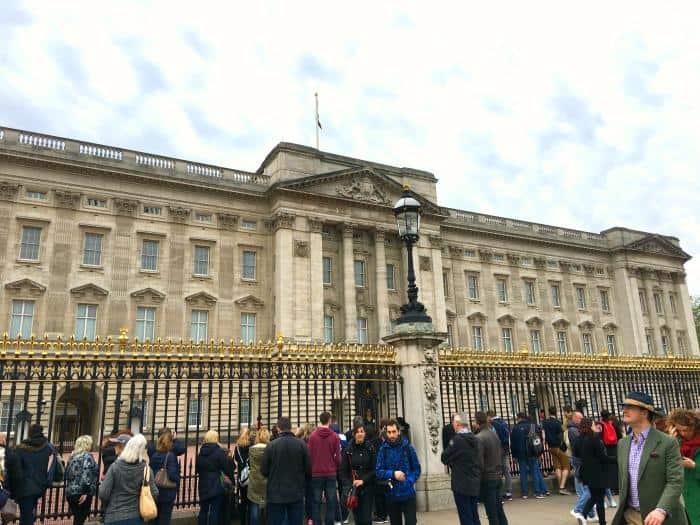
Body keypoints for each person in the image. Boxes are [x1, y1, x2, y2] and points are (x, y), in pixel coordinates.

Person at [611, 392, 687, 525]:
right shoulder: (622, 444)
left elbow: (675, 481)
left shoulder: (667, 442)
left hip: (659, 518)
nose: (625, 410)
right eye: (624, 406)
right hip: (630, 516)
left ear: (644, 413)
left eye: (631, 407)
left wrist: (661, 510)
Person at [99, 433, 158, 525]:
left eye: (118, 445)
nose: (115, 448)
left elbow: (103, 493)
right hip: (135, 516)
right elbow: (154, 493)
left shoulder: (115, 467)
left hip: (114, 515)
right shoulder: (146, 469)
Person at [261, 416, 312, 525]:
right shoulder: (301, 445)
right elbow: (308, 469)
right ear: (290, 428)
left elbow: (264, 470)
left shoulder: (271, 446)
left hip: (276, 494)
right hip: (296, 492)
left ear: (279, 429)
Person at [376, 419, 421, 525]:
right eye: (389, 432)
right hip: (392, 494)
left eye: (394, 432)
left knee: (411, 522)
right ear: (386, 433)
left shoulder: (408, 448)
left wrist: (409, 481)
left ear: (399, 432)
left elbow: (417, 469)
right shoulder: (383, 450)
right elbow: (378, 471)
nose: (391, 435)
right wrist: (393, 474)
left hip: (408, 493)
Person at [7, 423, 52, 525]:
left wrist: (11, 489)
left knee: (25, 516)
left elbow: (15, 471)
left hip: (24, 488)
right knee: (29, 515)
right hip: (40, 485)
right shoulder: (47, 447)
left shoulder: (20, 449)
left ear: (30, 433)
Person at [574, 418, 617, 525]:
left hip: (587, 473)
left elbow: (578, 455)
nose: (596, 427)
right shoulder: (594, 440)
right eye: (594, 425)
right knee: (599, 499)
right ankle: (588, 516)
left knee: (595, 497)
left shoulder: (581, 439)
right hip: (598, 473)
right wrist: (616, 459)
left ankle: (585, 515)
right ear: (590, 426)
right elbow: (603, 457)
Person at [441, 412, 482, 525]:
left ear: (458, 424)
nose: (452, 425)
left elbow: (444, 457)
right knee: (474, 515)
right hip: (474, 482)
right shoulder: (475, 438)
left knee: (465, 517)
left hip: (461, 483)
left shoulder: (457, 440)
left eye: (453, 423)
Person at [307, 411, 341, 525]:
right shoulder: (335, 437)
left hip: (316, 473)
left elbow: (309, 456)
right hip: (330, 473)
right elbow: (338, 458)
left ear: (320, 420)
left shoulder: (312, 437)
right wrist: (335, 467)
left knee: (316, 501)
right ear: (329, 421)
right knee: (331, 501)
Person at [474, 412, 508, 525]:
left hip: (488, 479)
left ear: (477, 422)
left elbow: (479, 462)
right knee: (499, 510)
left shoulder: (479, 438)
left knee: (492, 513)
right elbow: (500, 453)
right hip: (497, 476)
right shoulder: (494, 434)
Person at [669, 409, 700, 525]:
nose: (682, 433)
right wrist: (671, 442)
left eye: (686, 430)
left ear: (694, 426)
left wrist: (694, 466)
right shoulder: (677, 443)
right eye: (679, 430)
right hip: (685, 499)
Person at [340, 424, 375, 525]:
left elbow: (375, 469)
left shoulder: (370, 448)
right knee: (358, 519)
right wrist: (349, 484)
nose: (360, 434)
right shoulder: (348, 450)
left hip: (367, 488)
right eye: (358, 432)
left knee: (367, 520)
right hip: (354, 490)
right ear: (354, 434)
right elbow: (342, 471)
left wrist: (363, 480)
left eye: (362, 431)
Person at [196, 430, 234, 525]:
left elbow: (197, 469)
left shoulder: (200, 452)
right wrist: (232, 481)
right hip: (216, 484)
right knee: (214, 511)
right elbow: (226, 469)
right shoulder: (219, 452)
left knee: (203, 511)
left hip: (203, 484)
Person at [509, 413, 547, 499]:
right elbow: (537, 440)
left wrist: (514, 456)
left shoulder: (515, 428)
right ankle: (538, 492)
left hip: (520, 454)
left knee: (523, 473)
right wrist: (539, 453)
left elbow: (513, 444)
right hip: (532, 452)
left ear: (519, 418)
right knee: (535, 472)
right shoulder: (532, 426)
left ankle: (525, 493)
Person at [148, 428, 180, 525]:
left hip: (155, 490)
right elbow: (172, 475)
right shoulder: (170, 456)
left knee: (154, 517)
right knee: (164, 518)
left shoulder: (154, 455)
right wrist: (178, 480)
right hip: (167, 492)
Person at [64, 435, 99, 525]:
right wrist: (85, 491)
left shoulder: (72, 456)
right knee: (80, 519)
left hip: (71, 491)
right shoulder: (87, 456)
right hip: (82, 492)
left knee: (77, 518)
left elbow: (67, 473)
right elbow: (86, 474)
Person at [568, 411, 595, 522]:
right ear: (575, 418)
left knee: (587, 489)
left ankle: (591, 513)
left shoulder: (577, 431)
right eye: (580, 418)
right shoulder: (574, 430)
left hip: (581, 462)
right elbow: (579, 447)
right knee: (587, 489)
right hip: (581, 462)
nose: (581, 420)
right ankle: (578, 509)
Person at [543, 406, 570, 495]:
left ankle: (560, 486)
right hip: (558, 447)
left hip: (550, 447)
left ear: (549, 412)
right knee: (566, 467)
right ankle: (562, 487)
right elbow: (562, 432)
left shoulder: (545, 422)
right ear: (555, 412)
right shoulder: (557, 422)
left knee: (557, 467)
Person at [486, 410, 513, 501]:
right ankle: (509, 492)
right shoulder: (503, 422)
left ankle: (499, 493)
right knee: (506, 471)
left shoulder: (492, 424)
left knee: (497, 471)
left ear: (489, 417)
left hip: (497, 450)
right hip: (505, 450)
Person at [599, 410, 621, 508]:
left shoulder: (600, 424)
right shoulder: (612, 424)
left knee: (608, 469)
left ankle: (611, 489)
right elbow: (619, 434)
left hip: (606, 447)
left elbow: (599, 437)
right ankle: (616, 487)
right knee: (615, 467)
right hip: (614, 447)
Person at [248, 428, 270, 525]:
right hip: (267, 480)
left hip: (255, 480)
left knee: (254, 507)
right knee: (269, 508)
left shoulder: (251, 449)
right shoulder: (270, 448)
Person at [372, 419, 390, 524]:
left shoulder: (378, 440)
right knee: (385, 492)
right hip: (388, 470)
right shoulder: (391, 439)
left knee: (379, 493)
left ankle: (381, 515)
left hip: (381, 470)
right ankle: (385, 514)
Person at [234, 427, 252, 525]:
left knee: (243, 500)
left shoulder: (237, 446)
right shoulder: (251, 445)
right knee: (251, 500)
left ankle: (243, 522)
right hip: (250, 475)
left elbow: (236, 459)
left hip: (242, 476)